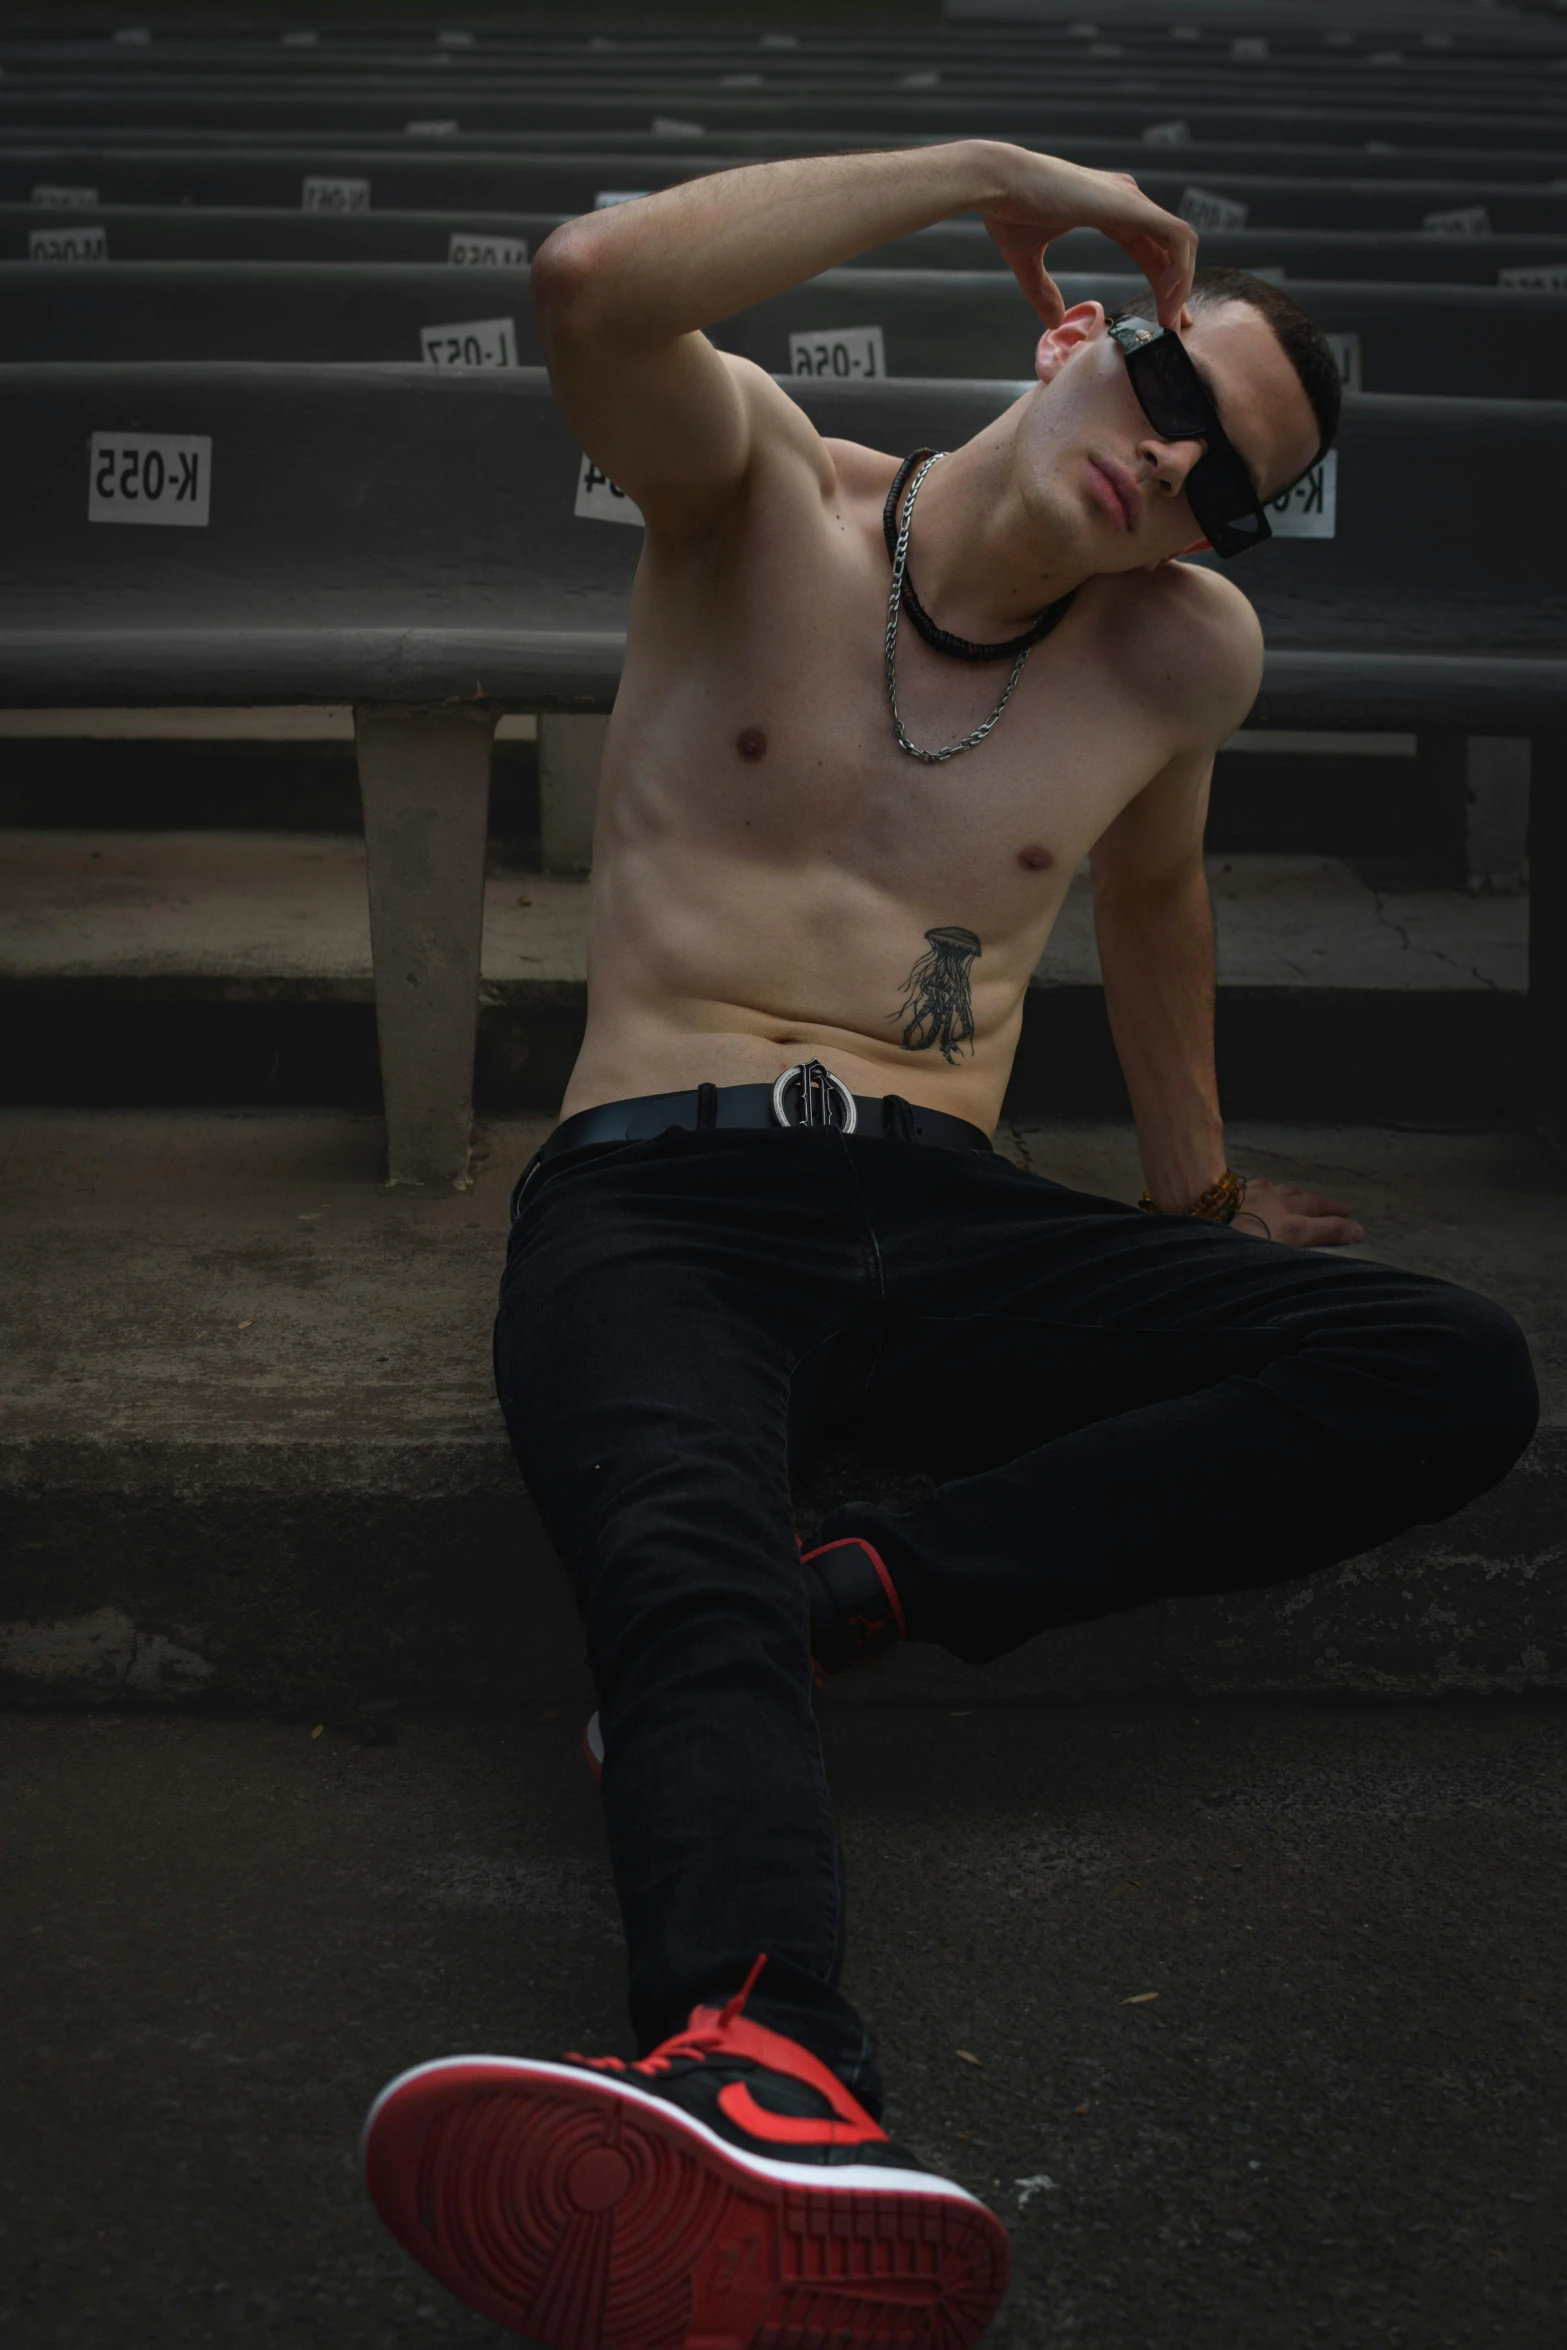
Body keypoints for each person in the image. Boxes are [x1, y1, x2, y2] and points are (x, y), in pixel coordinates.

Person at [362, 144, 1539, 2349]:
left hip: (949, 1216)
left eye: (1229, 483)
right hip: (665, 1197)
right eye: (1174, 394)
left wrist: (1196, 1200)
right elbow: (592, 275)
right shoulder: (758, 494)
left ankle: (875, 1588)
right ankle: (762, 2053)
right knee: (678, 1556)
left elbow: (1154, 894)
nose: (1175, 472)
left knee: (1451, 1365)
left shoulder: (1186, 655)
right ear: (1087, 328)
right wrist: (990, 171)